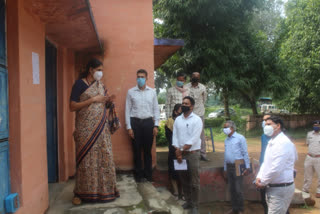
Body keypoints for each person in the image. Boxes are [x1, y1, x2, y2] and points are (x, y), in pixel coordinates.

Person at [69, 58, 120, 205]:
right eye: (98, 70)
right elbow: (72, 106)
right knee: (86, 161)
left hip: (101, 129)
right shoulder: (79, 84)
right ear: (90, 70)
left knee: (104, 157)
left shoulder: (101, 86)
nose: (100, 73)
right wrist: (93, 100)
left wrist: (109, 101)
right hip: (85, 129)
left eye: (101, 70)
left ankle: (105, 192)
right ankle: (81, 193)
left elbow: (104, 105)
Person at [256, 116, 298, 214]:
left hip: (280, 189)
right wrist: (259, 176)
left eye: (269, 124)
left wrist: (263, 182)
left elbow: (276, 168)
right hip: (272, 187)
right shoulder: (272, 142)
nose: (266, 127)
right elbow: (266, 163)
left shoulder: (283, 143)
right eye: (265, 125)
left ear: (278, 126)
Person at [125, 69, 160, 182]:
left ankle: (148, 175)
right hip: (135, 123)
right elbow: (127, 110)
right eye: (138, 77)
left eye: (142, 77)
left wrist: (156, 125)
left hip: (148, 123)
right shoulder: (131, 92)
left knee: (147, 151)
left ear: (146, 78)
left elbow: (156, 109)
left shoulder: (152, 92)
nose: (140, 79)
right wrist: (129, 127)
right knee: (136, 150)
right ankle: (139, 175)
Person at [173, 96, 202, 214]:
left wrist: (180, 150)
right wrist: (177, 150)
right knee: (184, 180)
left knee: (194, 182)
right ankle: (188, 201)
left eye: (186, 103)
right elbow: (174, 136)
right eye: (182, 103)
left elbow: (193, 139)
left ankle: (195, 205)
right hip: (180, 154)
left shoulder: (197, 120)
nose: (183, 105)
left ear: (192, 106)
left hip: (192, 154)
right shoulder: (178, 120)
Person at [223, 120, 250, 214]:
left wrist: (247, 167)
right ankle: (234, 208)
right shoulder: (226, 140)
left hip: (239, 165)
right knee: (232, 189)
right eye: (224, 127)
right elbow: (225, 155)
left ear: (232, 128)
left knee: (238, 189)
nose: (224, 129)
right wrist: (225, 168)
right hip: (229, 166)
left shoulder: (240, 138)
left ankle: (240, 209)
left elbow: (245, 153)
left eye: (226, 127)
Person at [185, 72, 208, 161]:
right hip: (189, 113)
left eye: (197, 77)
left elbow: (204, 100)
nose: (195, 78)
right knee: (188, 133)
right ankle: (189, 152)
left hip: (199, 113)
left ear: (199, 78)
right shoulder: (186, 87)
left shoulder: (203, 87)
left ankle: (203, 154)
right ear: (191, 77)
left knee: (201, 134)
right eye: (194, 76)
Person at [165, 103, 183, 199]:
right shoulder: (170, 121)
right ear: (175, 111)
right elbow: (169, 137)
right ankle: (176, 192)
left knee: (183, 172)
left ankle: (183, 193)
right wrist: (176, 147)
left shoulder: (185, 121)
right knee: (173, 171)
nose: (181, 112)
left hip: (184, 150)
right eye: (180, 110)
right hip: (173, 150)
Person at [302, 120, 320, 198]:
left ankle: (319, 191)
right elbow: (308, 144)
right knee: (307, 175)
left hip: (318, 158)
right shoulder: (309, 134)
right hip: (309, 157)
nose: (316, 126)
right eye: (315, 124)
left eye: (318, 125)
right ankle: (305, 189)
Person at [259, 114, 271, 214]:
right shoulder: (263, 136)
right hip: (263, 169)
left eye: (267, 120)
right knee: (263, 197)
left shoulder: (280, 139)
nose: (264, 122)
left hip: (272, 172)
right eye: (263, 120)